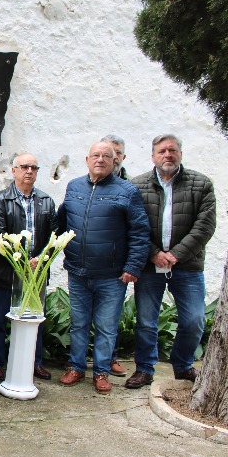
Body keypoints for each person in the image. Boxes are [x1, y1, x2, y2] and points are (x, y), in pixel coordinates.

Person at [57, 142, 149, 394]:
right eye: (95, 155)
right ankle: (76, 367)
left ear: (114, 161)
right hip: (77, 272)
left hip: (112, 276)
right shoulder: (74, 186)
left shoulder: (127, 191)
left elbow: (140, 233)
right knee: (78, 324)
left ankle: (101, 372)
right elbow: (62, 222)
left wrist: (133, 267)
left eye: (106, 156)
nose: (100, 160)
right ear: (87, 159)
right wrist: (51, 252)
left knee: (106, 327)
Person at [126, 134, 216, 389]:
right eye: (162, 151)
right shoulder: (137, 186)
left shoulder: (201, 184)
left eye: (173, 150)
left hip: (186, 265)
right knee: (146, 320)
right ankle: (144, 369)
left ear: (180, 154)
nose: (168, 155)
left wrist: (176, 254)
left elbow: (205, 226)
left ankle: (183, 364)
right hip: (150, 265)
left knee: (194, 320)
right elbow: (133, 225)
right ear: (153, 156)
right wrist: (153, 252)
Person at [0, 153, 57, 382]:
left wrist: (39, 261)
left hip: (36, 274)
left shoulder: (46, 201)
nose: (29, 171)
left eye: (34, 168)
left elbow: (53, 237)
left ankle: (35, 362)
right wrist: (23, 261)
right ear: (14, 170)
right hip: (6, 272)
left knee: (35, 318)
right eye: (24, 167)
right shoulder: (0, 200)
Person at [101, 134, 129, 377]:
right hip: (89, 266)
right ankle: (78, 362)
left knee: (110, 320)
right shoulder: (83, 184)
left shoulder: (131, 187)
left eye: (117, 152)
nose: (113, 156)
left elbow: (138, 229)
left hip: (117, 267)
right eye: (108, 151)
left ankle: (110, 359)